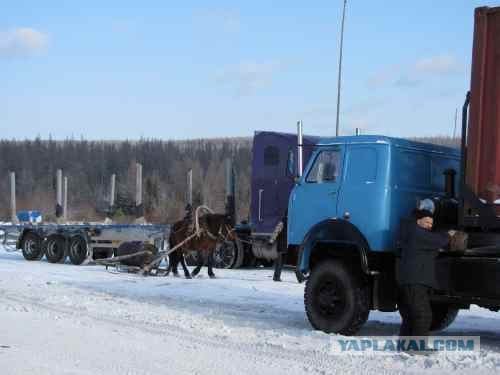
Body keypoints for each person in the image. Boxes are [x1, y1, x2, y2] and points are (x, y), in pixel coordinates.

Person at [398, 200, 451, 338]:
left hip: (412, 280)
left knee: (411, 316)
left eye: (431, 224)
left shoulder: (413, 232)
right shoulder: (416, 233)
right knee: (423, 315)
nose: (429, 226)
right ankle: (417, 348)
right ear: (418, 221)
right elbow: (439, 241)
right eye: (427, 222)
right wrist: (449, 235)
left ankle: (406, 346)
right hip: (415, 281)